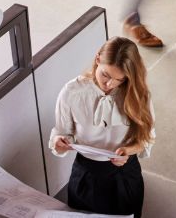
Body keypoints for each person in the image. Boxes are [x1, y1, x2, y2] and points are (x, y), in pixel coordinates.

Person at [49, 37, 155, 217]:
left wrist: (128, 150)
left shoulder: (137, 94)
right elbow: (62, 132)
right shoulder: (72, 92)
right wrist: (59, 142)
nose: (109, 84)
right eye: (105, 74)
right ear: (98, 59)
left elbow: (146, 138)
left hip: (124, 174)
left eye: (119, 80)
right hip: (85, 173)